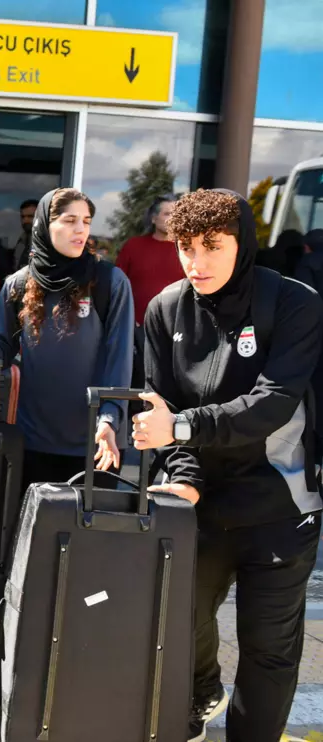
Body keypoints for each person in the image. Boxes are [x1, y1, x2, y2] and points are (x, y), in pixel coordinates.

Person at [132, 189, 323, 742]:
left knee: (269, 652)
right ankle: (201, 690)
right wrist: (184, 474)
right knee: (181, 624)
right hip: (199, 506)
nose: (197, 261)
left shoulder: (295, 303)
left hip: (280, 507)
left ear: (242, 244)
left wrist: (182, 427)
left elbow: (272, 402)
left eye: (213, 246)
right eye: (186, 246)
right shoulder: (165, 307)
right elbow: (159, 402)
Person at [0, 188, 134, 495]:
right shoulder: (18, 283)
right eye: (70, 220)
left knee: (88, 540)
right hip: (32, 440)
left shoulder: (109, 281)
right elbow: (3, 340)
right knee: (30, 535)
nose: (81, 229)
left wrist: (109, 419)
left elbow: (119, 358)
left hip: (96, 442)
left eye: (86, 220)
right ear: (45, 224)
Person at [116, 195, 183, 403]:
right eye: (166, 213)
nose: (172, 218)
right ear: (153, 218)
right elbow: (117, 285)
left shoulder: (187, 250)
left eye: (176, 214)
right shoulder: (134, 246)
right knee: (139, 383)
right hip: (137, 329)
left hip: (177, 330)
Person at [11, 198, 38, 270]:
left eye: (30, 216)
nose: (25, 220)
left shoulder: (46, 241)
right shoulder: (21, 241)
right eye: (23, 217)